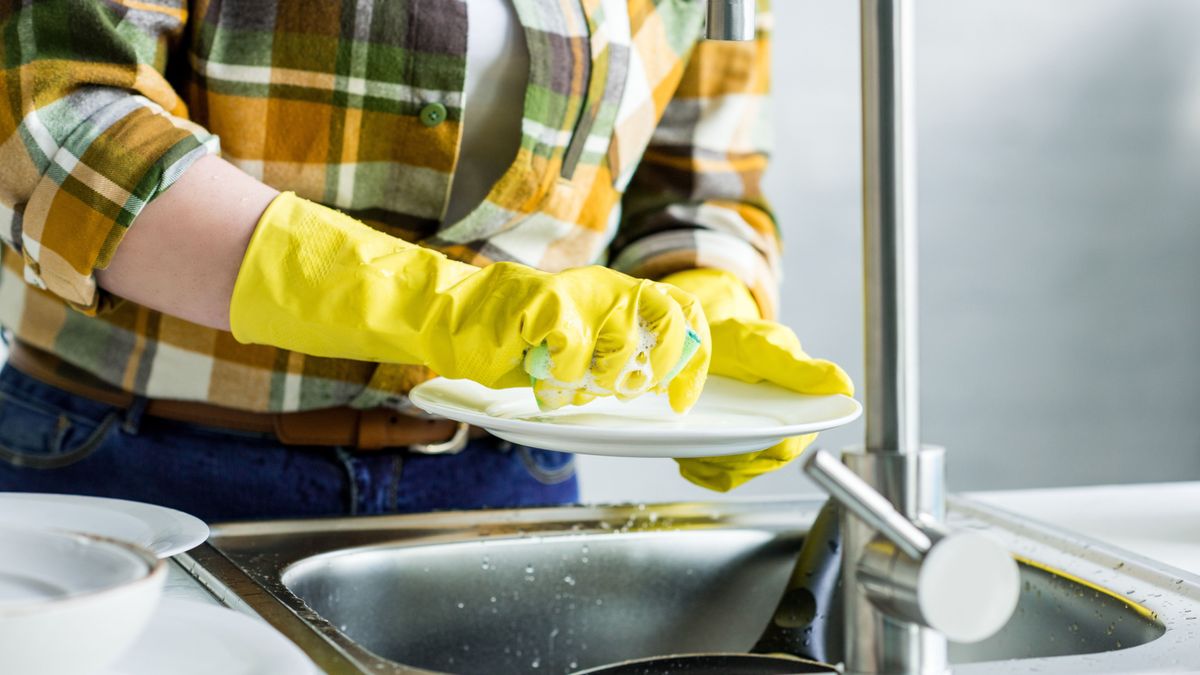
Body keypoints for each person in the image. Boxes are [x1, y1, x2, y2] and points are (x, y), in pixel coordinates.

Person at [0, 0, 851, 522]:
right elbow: (61, 128)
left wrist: (711, 306)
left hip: (508, 479)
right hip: (138, 466)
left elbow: (697, 179)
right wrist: (441, 307)